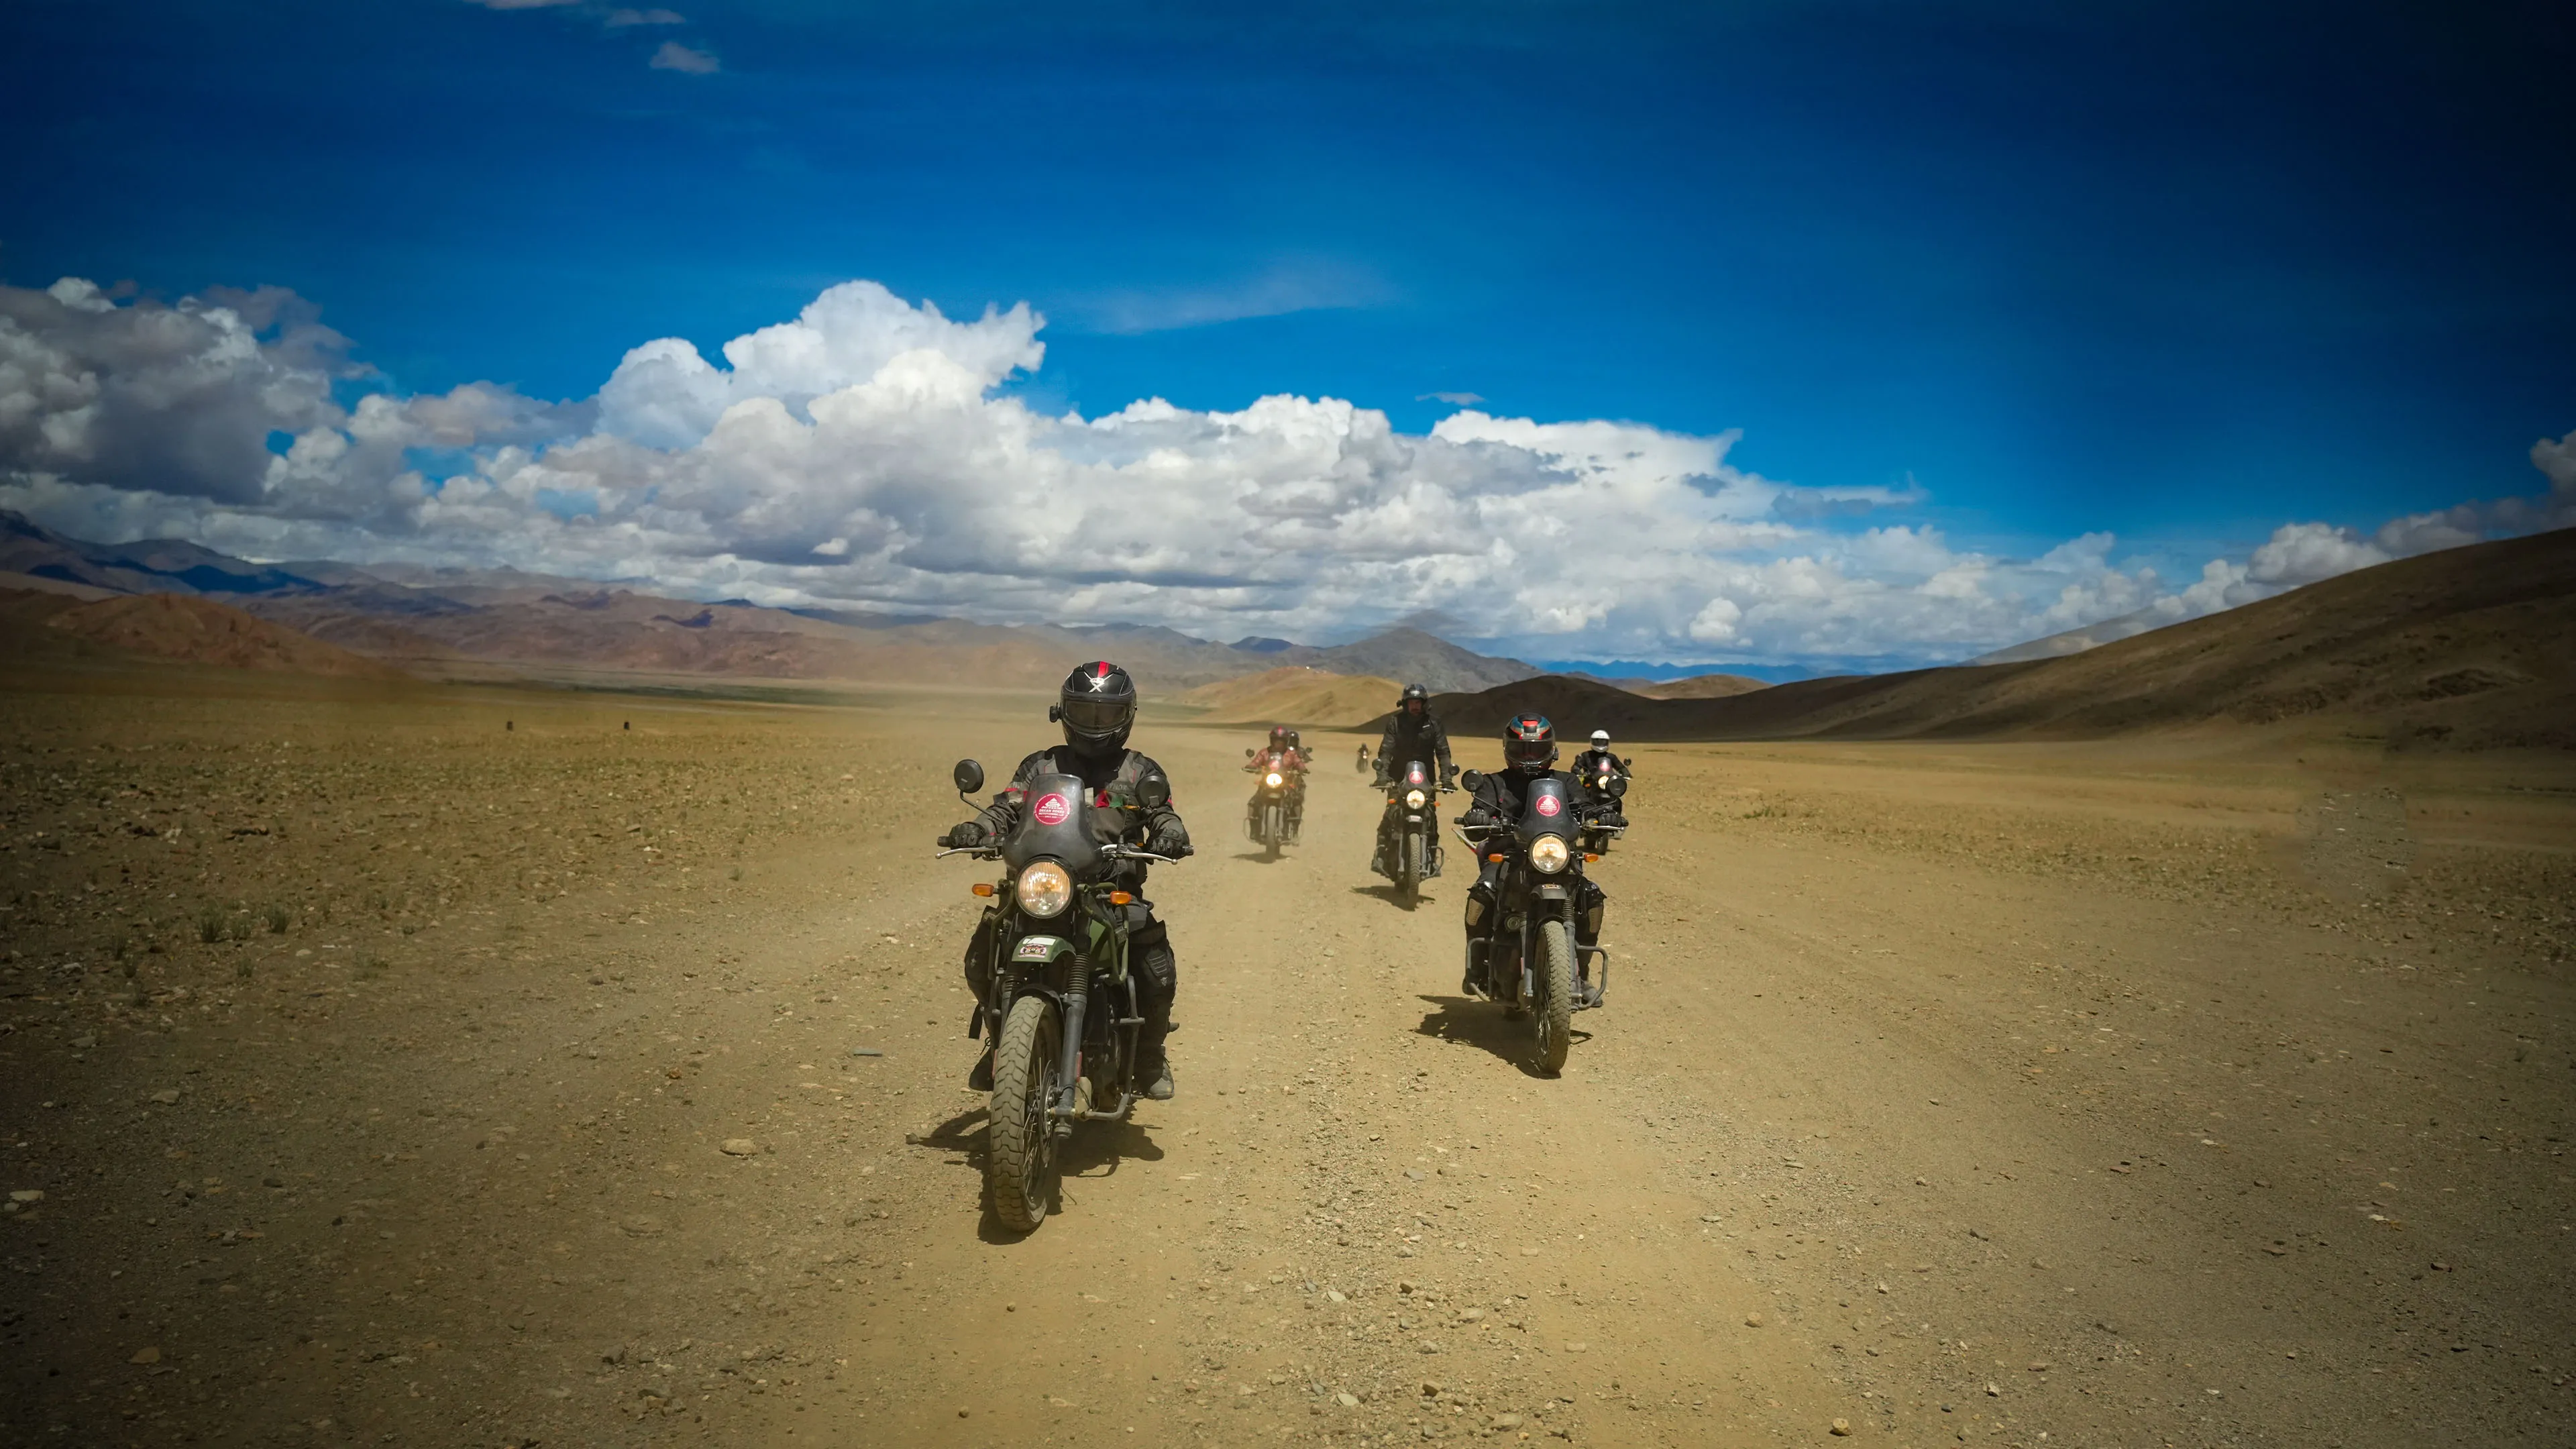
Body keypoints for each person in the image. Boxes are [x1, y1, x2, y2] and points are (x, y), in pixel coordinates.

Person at [940, 661, 1193, 1100]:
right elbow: (1006, 808)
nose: (1096, 726)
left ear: (1127, 717)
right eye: (1086, 712)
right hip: (1044, 886)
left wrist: (1170, 833)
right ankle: (1003, 1044)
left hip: (1111, 892)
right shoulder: (1041, 767)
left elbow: (1163, 810)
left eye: (1107, 715)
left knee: (1156, 972)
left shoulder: (1139, 773)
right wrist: (979, 829)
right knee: (982, 958)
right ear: (1063, 712)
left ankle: (1149, 1057)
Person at [1455, 713, 1609, 1001]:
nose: (1528, 756)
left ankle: (1582, 974)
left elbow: (1585, 806)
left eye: (1536, 749)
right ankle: (1475, 967)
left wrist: (1601, 813)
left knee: (1592, 897)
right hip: (1508, 854)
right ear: (1507, 748)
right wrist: (1478, 815)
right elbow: (1481, 806)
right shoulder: (1494, 782)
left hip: (1555, 854)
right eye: (1521, 749)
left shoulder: (1567, 781)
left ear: (1550, 748)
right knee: (1482, 894)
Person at [1370, 683, 1454, 876]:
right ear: (1405, 704)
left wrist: (1446, 778)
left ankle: (1431, 858)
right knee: (1390, 815)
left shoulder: (1434, 723)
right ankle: (1381, 854)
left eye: (1418, 702)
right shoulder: (1395, 722)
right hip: (1398, 776)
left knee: (1431, 818)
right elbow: (1386, 750)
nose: (1415, 706)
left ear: (1424, 704)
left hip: (1426, 779)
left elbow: (1443, 751)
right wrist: (1382, 776)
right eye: (1411, 703)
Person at [1244, 724, 1309, 841]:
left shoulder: (1291, 754)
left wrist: (1302, 768)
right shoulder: (1265, 752)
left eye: (1281, 741)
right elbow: (1256, 761)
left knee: (1296, 801)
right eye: (1276, 741)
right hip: (1267, 782)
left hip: (1285, 783)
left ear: (1286, 742)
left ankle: (1294, 829)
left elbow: (1298, 762)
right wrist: (1251, 766)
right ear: (1272, 741)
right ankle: (1254, 829)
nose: (1279, 744)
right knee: (1253, 802)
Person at [1568, 729, 1632, 826]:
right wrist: (1578, 772)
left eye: (1603, 741)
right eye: (1597, 741)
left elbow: (1620, 767)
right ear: (1592, 741)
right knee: (1582, 798)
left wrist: (1626, 773)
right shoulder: (1586, 756)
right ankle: (1581, 820)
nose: (1600, 744)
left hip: (1606, 782)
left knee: (1617, 799)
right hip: (1590, 781)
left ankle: (1617, 820)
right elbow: (1576, 766)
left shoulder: (1611, 757)